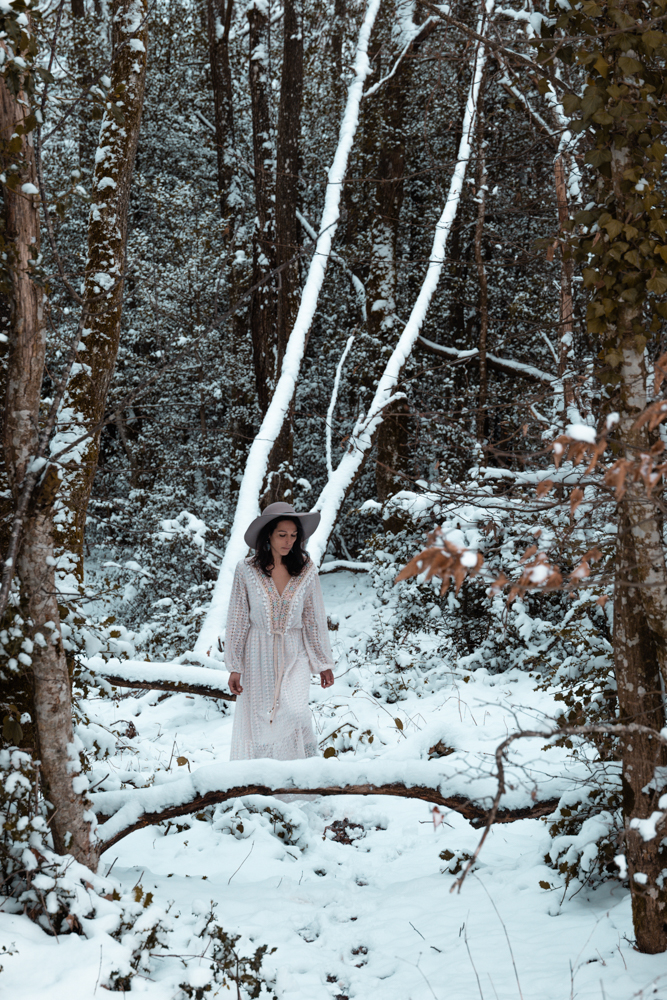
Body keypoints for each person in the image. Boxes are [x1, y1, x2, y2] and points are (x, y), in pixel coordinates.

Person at [225, 501, 335, 760]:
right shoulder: (247, 570)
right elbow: (238, 619)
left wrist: (322, 663)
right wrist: (234, 665)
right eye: (282, 535)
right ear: (268, 536)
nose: (289, 541)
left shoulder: (306, 569)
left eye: (294, 535)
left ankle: (297, 777)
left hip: (294, 651)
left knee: (296, 712)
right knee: (261, 722)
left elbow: (313, 619)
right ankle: (264, 782)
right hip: (257, 653)